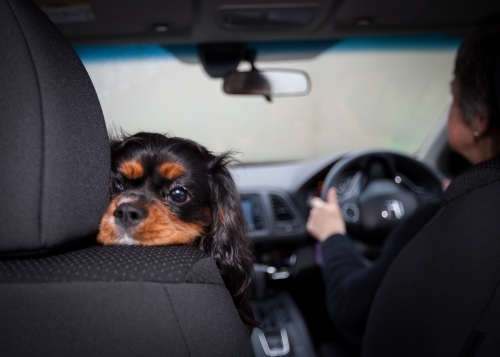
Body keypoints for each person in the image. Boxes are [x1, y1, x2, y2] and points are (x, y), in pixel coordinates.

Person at [306, 17, 500, 357]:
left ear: (479, 121)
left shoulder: (439, 219)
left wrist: (334, 237)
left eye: (453, 97)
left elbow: (349, 307)